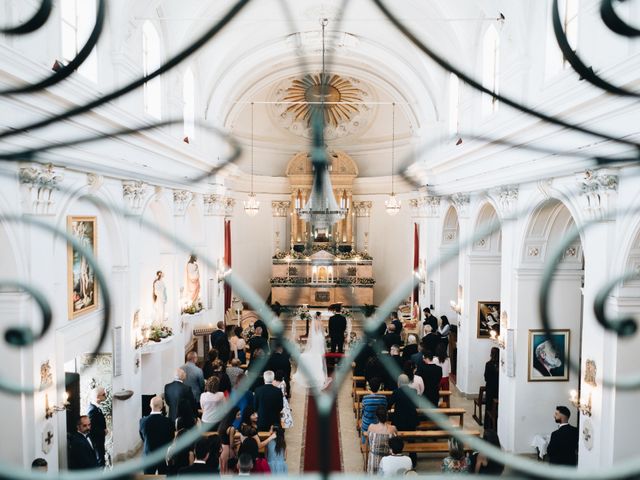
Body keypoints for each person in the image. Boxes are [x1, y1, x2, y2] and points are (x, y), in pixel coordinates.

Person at [292, 310, 328, 389]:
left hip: (315, 339)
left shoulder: (313, 322)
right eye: (320, 316)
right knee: (320, 353)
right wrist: (324, 334)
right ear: (318, 316)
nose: (321, 317)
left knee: (313, 350)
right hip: (320, 338)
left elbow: (311, 334)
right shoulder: (321, 323)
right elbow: (322, 332)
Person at [139, 396, 174, 475]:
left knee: (148, 477)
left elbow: (143, 437)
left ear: (150, 405)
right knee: (163, 476)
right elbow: (171, 437)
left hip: (148, 455)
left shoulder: (142, 421)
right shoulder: (168, 422)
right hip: (163, 455)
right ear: (161, 406)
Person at [366, 405, 397, 474]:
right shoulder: (393, 429)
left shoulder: (371, 427)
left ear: (376, 417)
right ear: (387, 416)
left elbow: (369, 442)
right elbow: (395, 443)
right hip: (387, 461)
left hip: (373, 460)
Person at [360, 377, 387, 442]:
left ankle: (365, 441)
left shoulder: (365, 398)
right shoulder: (383, 398)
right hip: (379, 422)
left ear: (369, 386)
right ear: (379, 386)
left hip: (367, 424)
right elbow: (385, 409)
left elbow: (362, 411)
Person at [87, 386, 107, 467]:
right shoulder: (92, 410)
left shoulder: (96, 407)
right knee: (100, 461)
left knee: (101, 459)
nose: (106, 396)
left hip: (99, 439)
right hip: (96, 441)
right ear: (98, 397)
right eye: (104, 394)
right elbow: (91, 429)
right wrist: (103, 431)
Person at [218, 407, 240, 474]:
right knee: (229, 471)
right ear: (233, 415)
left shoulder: (222, 425)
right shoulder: (231, 428)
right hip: (228, 450)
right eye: (238, 415)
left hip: (222, 449)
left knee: (223, 469)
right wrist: (238, 442)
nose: (240, 416)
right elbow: (231, 444)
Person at [484, 347, 500, 428]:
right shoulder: (501, 366)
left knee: (489, 406)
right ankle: (496, 425)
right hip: (498, 389)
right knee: (497, 407)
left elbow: (486, 377)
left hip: (490, 388)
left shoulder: (488, 364)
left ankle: (488, 425)